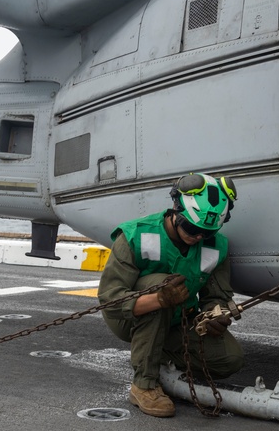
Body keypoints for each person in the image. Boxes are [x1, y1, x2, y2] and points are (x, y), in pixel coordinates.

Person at [98, 173, 244, 417]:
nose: (198, 237)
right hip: (128, 319)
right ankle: (143, 385)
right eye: (192, 228)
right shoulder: (135, 235)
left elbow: (215, 296)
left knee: (230, 358)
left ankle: (154, 354)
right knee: (161, 286)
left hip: (179, 319)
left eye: (206, 232)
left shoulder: (216, 246)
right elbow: (110, 301)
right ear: (176, 209)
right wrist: (159, 299)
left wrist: (214, 314)